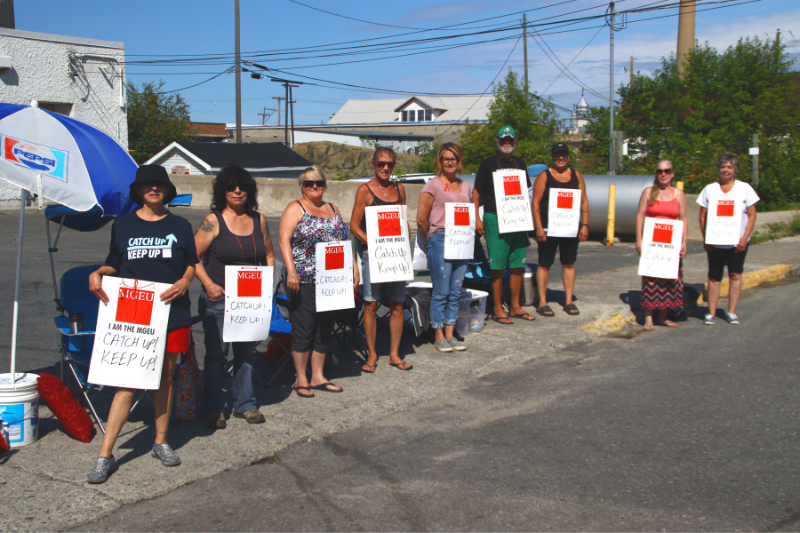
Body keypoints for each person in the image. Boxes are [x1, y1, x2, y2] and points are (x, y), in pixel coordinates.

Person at [86, 165, 198, 484]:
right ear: (138, 191)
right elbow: (114, 262)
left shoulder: (179, 224)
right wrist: (98, 273)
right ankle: (104, 455)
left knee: (166, 377)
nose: (153, 189)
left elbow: (191, 262)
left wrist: (184, 280)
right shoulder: (123, 224)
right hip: (134, 312)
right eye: (147, 185)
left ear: (166, 191)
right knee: (127, 382)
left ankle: (160, 441)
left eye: (159, 184)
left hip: (172, 310)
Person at [194, 164, 276, 428]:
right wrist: (208, 284)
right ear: (223, 191)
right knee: (216, 356)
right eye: (231, 186)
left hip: (250, 300)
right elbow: (192, 257)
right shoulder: (212, 221)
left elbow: (269, 255)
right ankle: (213, 407)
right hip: (219, 300)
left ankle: (245, 404)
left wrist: (267, 284)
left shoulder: (258, 220)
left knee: (246, 354)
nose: (237, 191)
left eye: (242, 186)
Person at [279, 166, 357, 397]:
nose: (314, 186)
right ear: (302, 186)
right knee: (305, 326)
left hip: (332, 279)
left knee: (325, 328)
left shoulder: (332, 208)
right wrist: (292, 272)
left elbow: (344, 239)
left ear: (325, 184)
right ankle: (301, 378)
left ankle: (318, 376)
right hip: (304, 279)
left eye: (319, 183)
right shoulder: (296, 208)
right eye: (308, 183)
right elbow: (284, 240)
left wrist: (353, 267)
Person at [350, 147, 412, 371]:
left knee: (397, 305)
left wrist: (405, 242)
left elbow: (404, 222)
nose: (386, 168)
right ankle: (372, 355)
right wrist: (373, 243)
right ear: (373, 164)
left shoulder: (400, 189)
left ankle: (395, 355)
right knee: (371, 304)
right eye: (381, 164)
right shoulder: (364, 190)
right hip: (372, 256)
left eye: (390, 164)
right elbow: (354, 226)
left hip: (396, 256)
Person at [473, 126, 536, 324]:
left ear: (515, 142)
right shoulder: (488, 164)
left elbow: (524, 192)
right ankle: (498, 308)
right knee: (498, 266)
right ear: (497, 142)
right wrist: (477, 217)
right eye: (503, 140)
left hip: (517, 218)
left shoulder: (521, 164)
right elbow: (476, 192)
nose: (506, 143)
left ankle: (516, 306)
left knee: (518, 264)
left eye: (510, 140)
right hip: (494, 218)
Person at [416, 142, 472, 352]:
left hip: (462, 242)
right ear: (440, 161)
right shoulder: (432, 185)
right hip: (440, 239)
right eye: (446, 158)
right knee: (441, 291)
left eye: (453, 158)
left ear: (459, 161)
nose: (450, 162)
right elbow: (421, 220)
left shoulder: (466, 186)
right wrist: (432, 240)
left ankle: (451, 333)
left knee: (455, 290)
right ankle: (438, 334)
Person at [698, 152, 759, 325]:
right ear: (718, 169)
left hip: (737, 243)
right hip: (715, 243)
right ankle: (711, 313)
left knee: (735, 275)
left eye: (730, 167)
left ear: (736, 170)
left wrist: (744, 238)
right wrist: (706, 239)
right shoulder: (709, 189)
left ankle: (731, 312)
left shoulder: (745, 188)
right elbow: (702, 216)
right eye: (723, 167)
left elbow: (752, 215)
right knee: (714, 277)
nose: (726, 170)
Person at [531, 142, 590, 317]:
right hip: (549, 229)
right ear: (552, 157)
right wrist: (539, 228)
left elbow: (584, 201)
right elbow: (535, 202)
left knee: (568, 263)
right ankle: (542, 302)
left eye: (564, 154)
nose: (561, 157)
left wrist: (585, 225)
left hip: (570, 229)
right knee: (544, 264)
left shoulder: (576, 175)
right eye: (558, 154)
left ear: (569, 157)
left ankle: (568, 301)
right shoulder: (544, 176)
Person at [635, 160, 688, 330]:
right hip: (652, 243)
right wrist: (639, 239)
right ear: (656, 174)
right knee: (651, 280)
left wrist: (684, 241)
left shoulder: (678, 194)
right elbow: (640, 215)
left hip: (671, 244)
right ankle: (649, 318)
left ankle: (663, 316)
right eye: (660, 171)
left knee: (669, 279)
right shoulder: (648, 192)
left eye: (667, 170)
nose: (663, 174)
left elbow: (684, 218)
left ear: (672, 173)